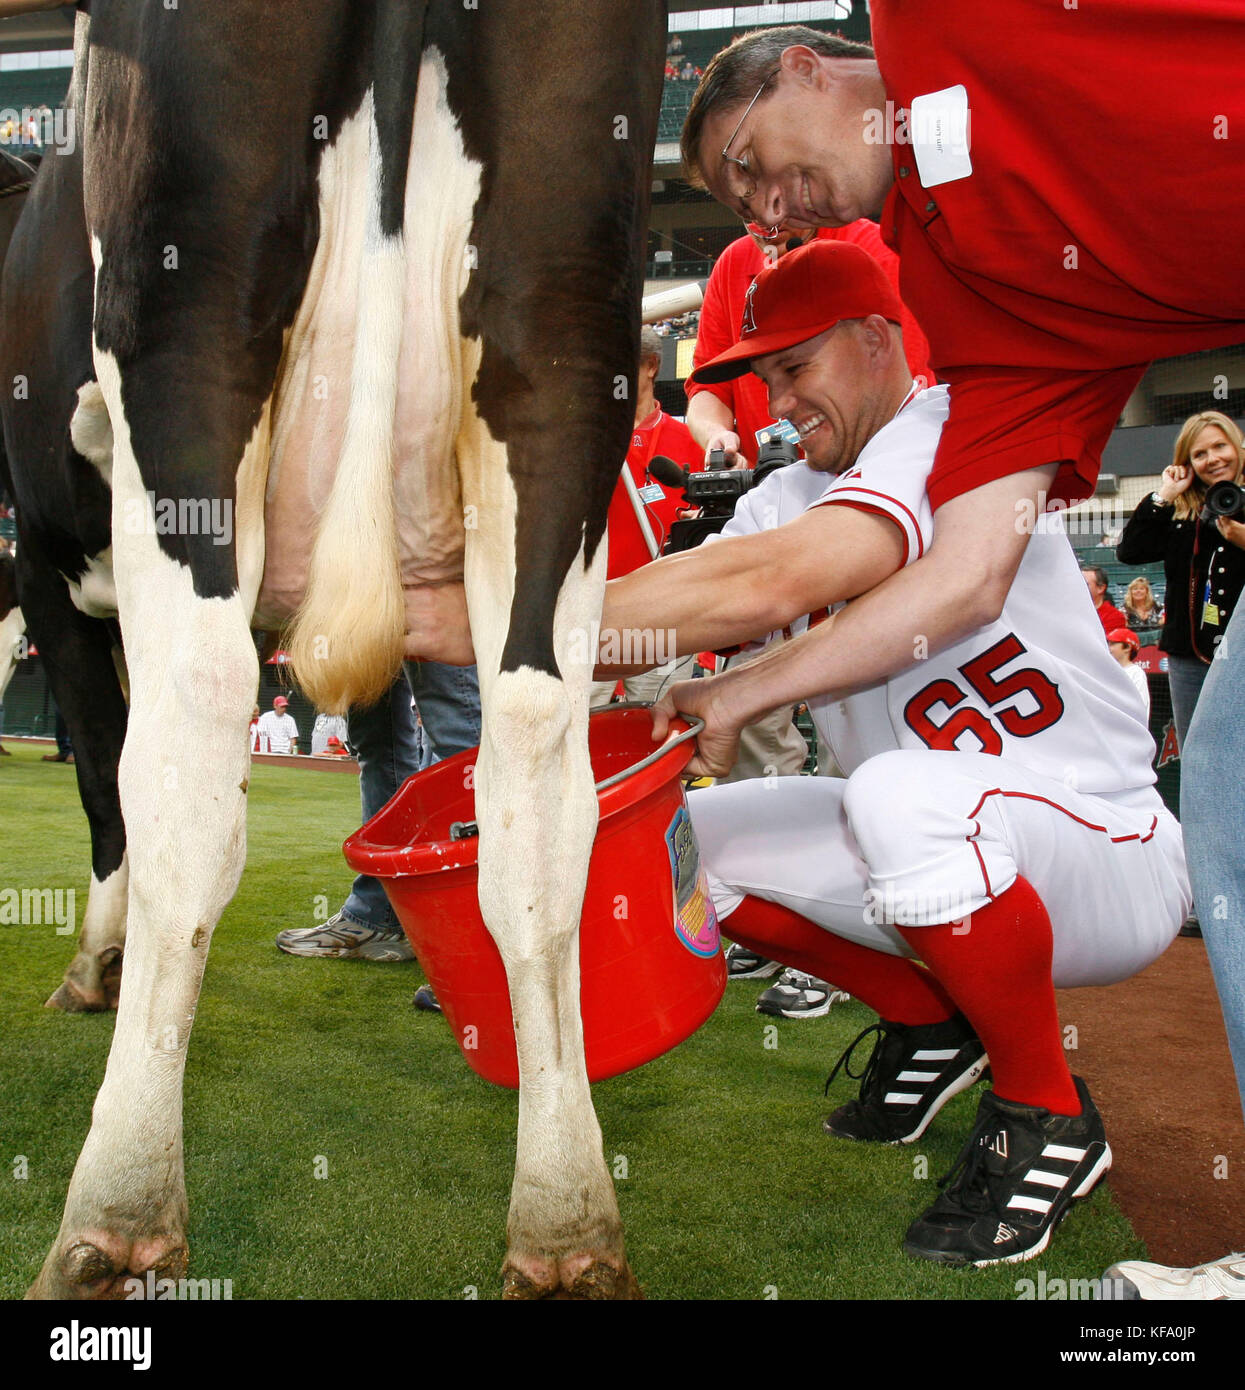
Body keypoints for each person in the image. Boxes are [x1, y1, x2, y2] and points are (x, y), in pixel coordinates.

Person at [598, 240, 1188, 1267]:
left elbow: (770, 586)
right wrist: (523, 632)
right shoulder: (787, 495)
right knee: (684, 843)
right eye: (763, 378)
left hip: (1103, 842)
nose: (776, 402)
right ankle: (930, 1018)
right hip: (935, 841)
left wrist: (522, 628)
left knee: (897, 793)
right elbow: (686, 608)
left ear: (875, 338)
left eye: (795, 366)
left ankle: (1048, 1111)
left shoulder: (955, 427)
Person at [276, 660, 481, 963]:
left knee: (457, 723)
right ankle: (380, 914)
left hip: (436, 612)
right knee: (375, 734)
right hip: (369, 616)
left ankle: (480, 942)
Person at [1116, 411, 1245, 748]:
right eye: (1200, 454)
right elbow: (1130, 551)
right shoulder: (1180, 513)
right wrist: (1166, 493)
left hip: (1241, 654)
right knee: (1199, 753)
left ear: (1238, 447)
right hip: (1190, 656)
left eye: (1220, 446)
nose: (1213, 459)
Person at [589, 326, 702, 709]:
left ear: (651, 366)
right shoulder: (588, 438)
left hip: (663, 613)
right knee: (582, 736)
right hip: (592, 611)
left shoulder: (690, 437)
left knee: (658, 730)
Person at [1106, 628, 1149, 720]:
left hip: (1127, 727)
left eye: (1113, 644)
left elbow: (1141, 706)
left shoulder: (1136, 673)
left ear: (1127, 647)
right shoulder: (1106, 671)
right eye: (1108, 644)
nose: (1109, 648)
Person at [1080, 566, 1126, 639]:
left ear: (1101, 588)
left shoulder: (1114, 617)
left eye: (1085, 584)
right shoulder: (1069, 612)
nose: (1079, 587)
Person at [1122, 575, 1163, 644]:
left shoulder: (1157, 606)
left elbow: (1163, 622)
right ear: (1131, 592)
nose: (1138, 591)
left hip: (1156, 642)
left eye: (1141, 589)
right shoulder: (1124, 608)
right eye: (1135, 589)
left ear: (1147, 592)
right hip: (1133, 641)